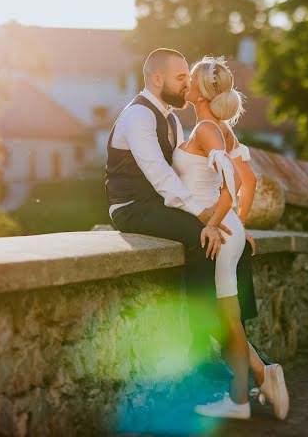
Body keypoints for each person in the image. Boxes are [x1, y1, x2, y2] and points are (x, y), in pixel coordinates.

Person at [105, 49, 286, 419]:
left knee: (231, 244)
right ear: (156, 79)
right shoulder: (139, 116)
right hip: (132, 210)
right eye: (179, 78)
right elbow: (161, 176)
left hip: (162, 206)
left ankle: (241, 349)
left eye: (189, 77)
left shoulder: (172, 120)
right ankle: (204, 346)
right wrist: (208, 215)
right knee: (202, 237)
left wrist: (231, 222)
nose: (186, 83)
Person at [175, 55, 289, 420]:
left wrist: (214, 224)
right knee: (231, 319)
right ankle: (255, 383)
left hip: (220, 234)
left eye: (190, 79)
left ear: (200, 92)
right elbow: (250, 181)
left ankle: (240, 400)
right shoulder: (224, 129)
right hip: (233, 232)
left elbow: (231, 186)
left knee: (230, 321)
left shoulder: (206, 130)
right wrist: (240, 225)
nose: (186, 84)